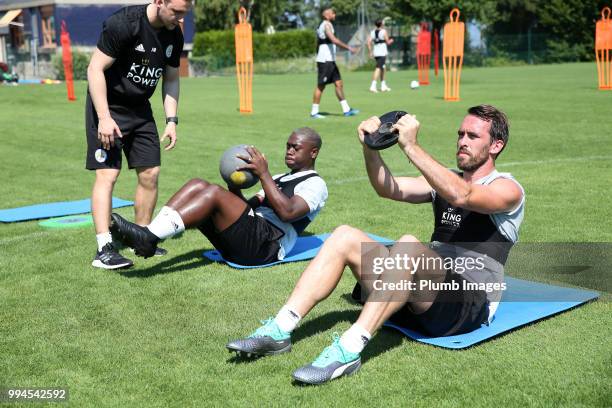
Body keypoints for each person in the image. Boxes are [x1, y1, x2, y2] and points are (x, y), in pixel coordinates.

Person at [226, 105, 525, 385]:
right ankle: (280, 329)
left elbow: (464, 196)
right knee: (344, 235)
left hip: (466, 306)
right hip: (419, 298)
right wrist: (371, 147)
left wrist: (410, 145)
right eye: (461, 134)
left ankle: (348, 349)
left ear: (495, 145)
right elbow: (388, 188)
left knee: (407, 244)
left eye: (473, 136)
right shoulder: (445, 181)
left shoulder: (508, 189)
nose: (462, 141)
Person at [110, 128, 328, 267]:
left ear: (313, 152)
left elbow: (288, 212)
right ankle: (149, 237)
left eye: (296, 148)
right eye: (288, 146)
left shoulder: (315, 184)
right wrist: (234, 188)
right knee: (198, 184)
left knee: (213, 193)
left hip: (266, 246)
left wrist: (263, 174)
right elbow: (246, 209)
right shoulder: (279, 178)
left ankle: (147, 237)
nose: (289, 151)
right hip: (250, 236)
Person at [86, 0, 192, 269]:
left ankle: (141, 236)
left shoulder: (173, 34)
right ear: (159, 1)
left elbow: (170, 78)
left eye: (184, 13)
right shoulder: (124, 23)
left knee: (150, 173)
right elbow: (95, 68)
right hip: (108, 106)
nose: (181, 18)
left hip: (140, 110)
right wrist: (104, 118)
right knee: (107, 174)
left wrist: (171, 120)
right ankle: (104, 248)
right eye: (176, 11)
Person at [310, 8, 359, 119]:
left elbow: (318, 43)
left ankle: (346, 110)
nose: (334, 14)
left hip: (330, 60)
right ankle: (314, 112)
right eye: (333, 13)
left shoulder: (326, 24)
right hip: (325, 61)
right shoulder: (326, 25)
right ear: (327, 15)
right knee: (321, 86)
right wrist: (349, 48)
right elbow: (334, 40)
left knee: (338, 84)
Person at [367, 19, 394, 93]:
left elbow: (368, 42)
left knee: (383, 68)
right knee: (378, 68)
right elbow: (388, 42)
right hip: (382, 53)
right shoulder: (384, 31)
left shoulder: (372, 32)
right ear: (381, 24)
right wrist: (391, 40)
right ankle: (373, 86)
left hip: (376, 52)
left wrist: (370, 52)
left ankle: (383, 86)